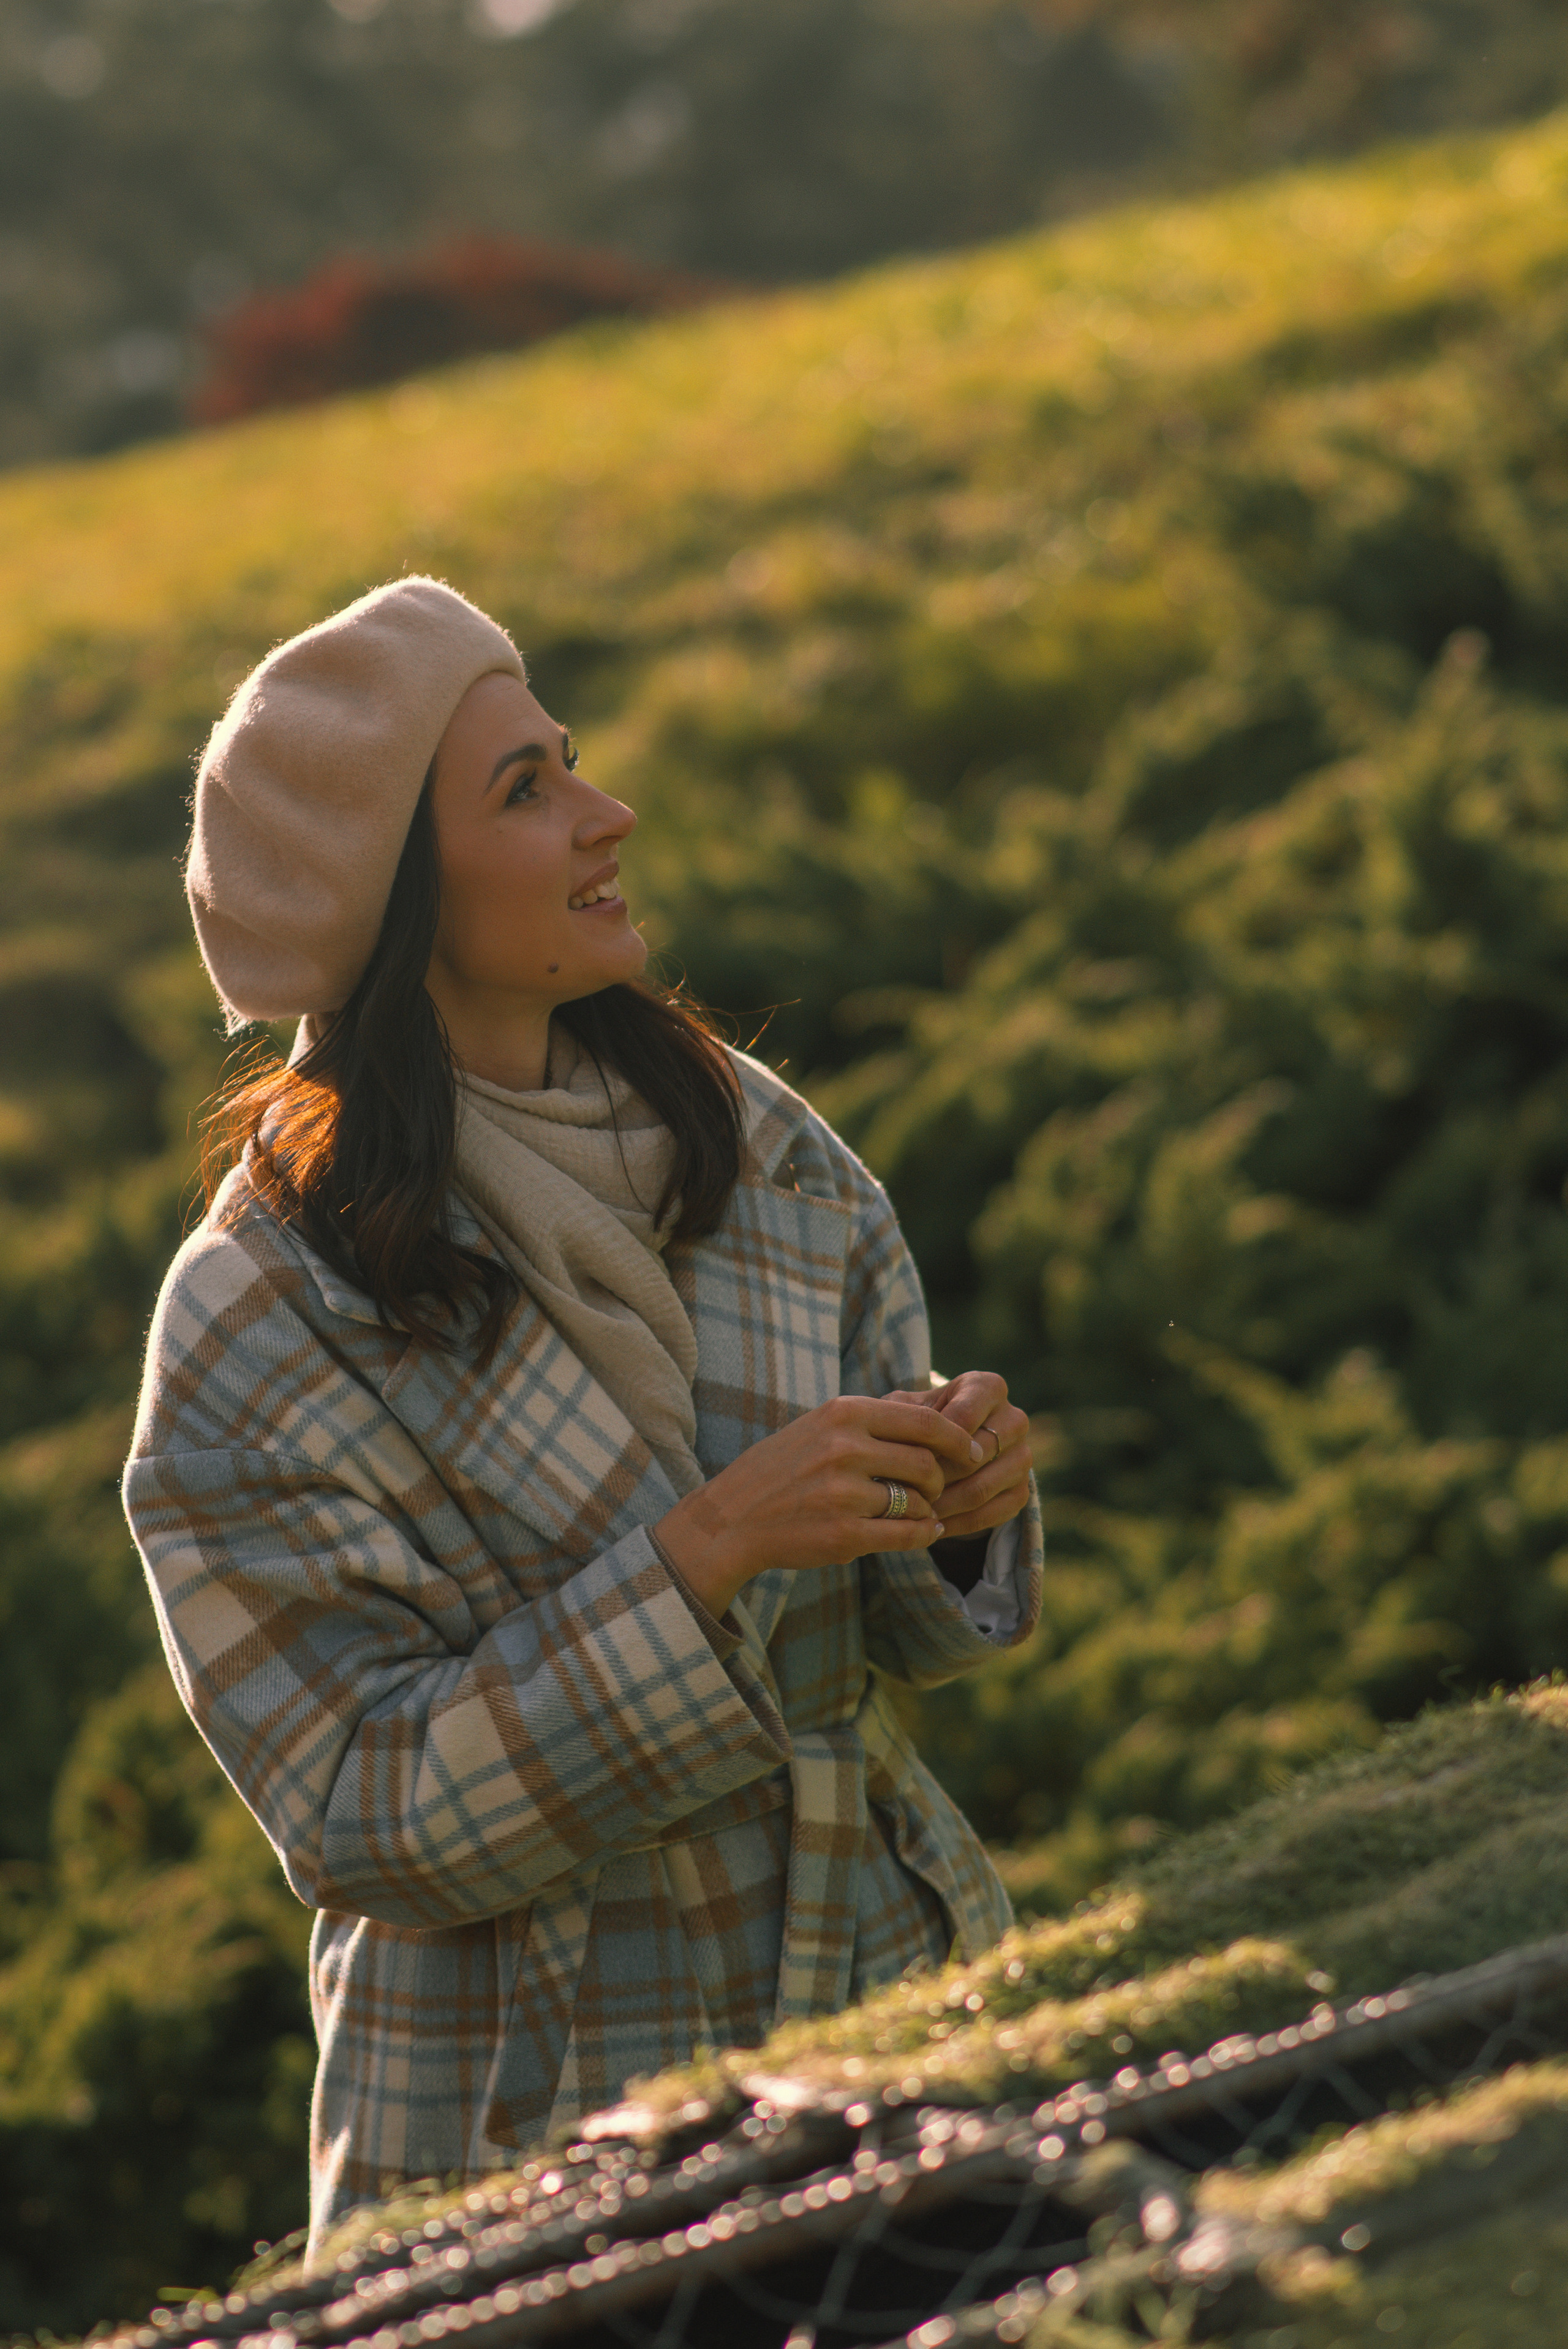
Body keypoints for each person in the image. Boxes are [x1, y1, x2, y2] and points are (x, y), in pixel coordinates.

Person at [123, 575, 1042, 2249]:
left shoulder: (748, 1132)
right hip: (531, 2138)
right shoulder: (252, 1319)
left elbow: (890, 1635)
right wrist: (699, 1554)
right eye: (525, 791)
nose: (605, 814)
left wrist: (955, 1489)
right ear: (391, 894)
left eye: (570, 759)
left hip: (900, 2016)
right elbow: (360, 1809)